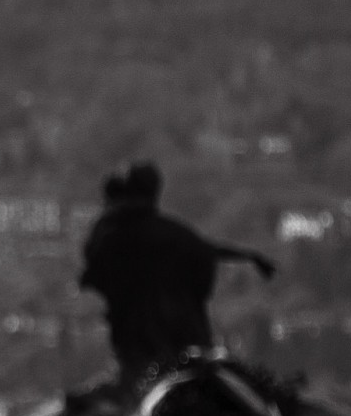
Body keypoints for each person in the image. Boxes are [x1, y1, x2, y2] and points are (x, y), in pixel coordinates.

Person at [78, 162, 275, 386]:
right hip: (176, 342)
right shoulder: (168, 235)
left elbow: (93, 273)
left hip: (148, 347)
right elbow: (204, 251)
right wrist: (249, 257)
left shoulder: (114, 235)